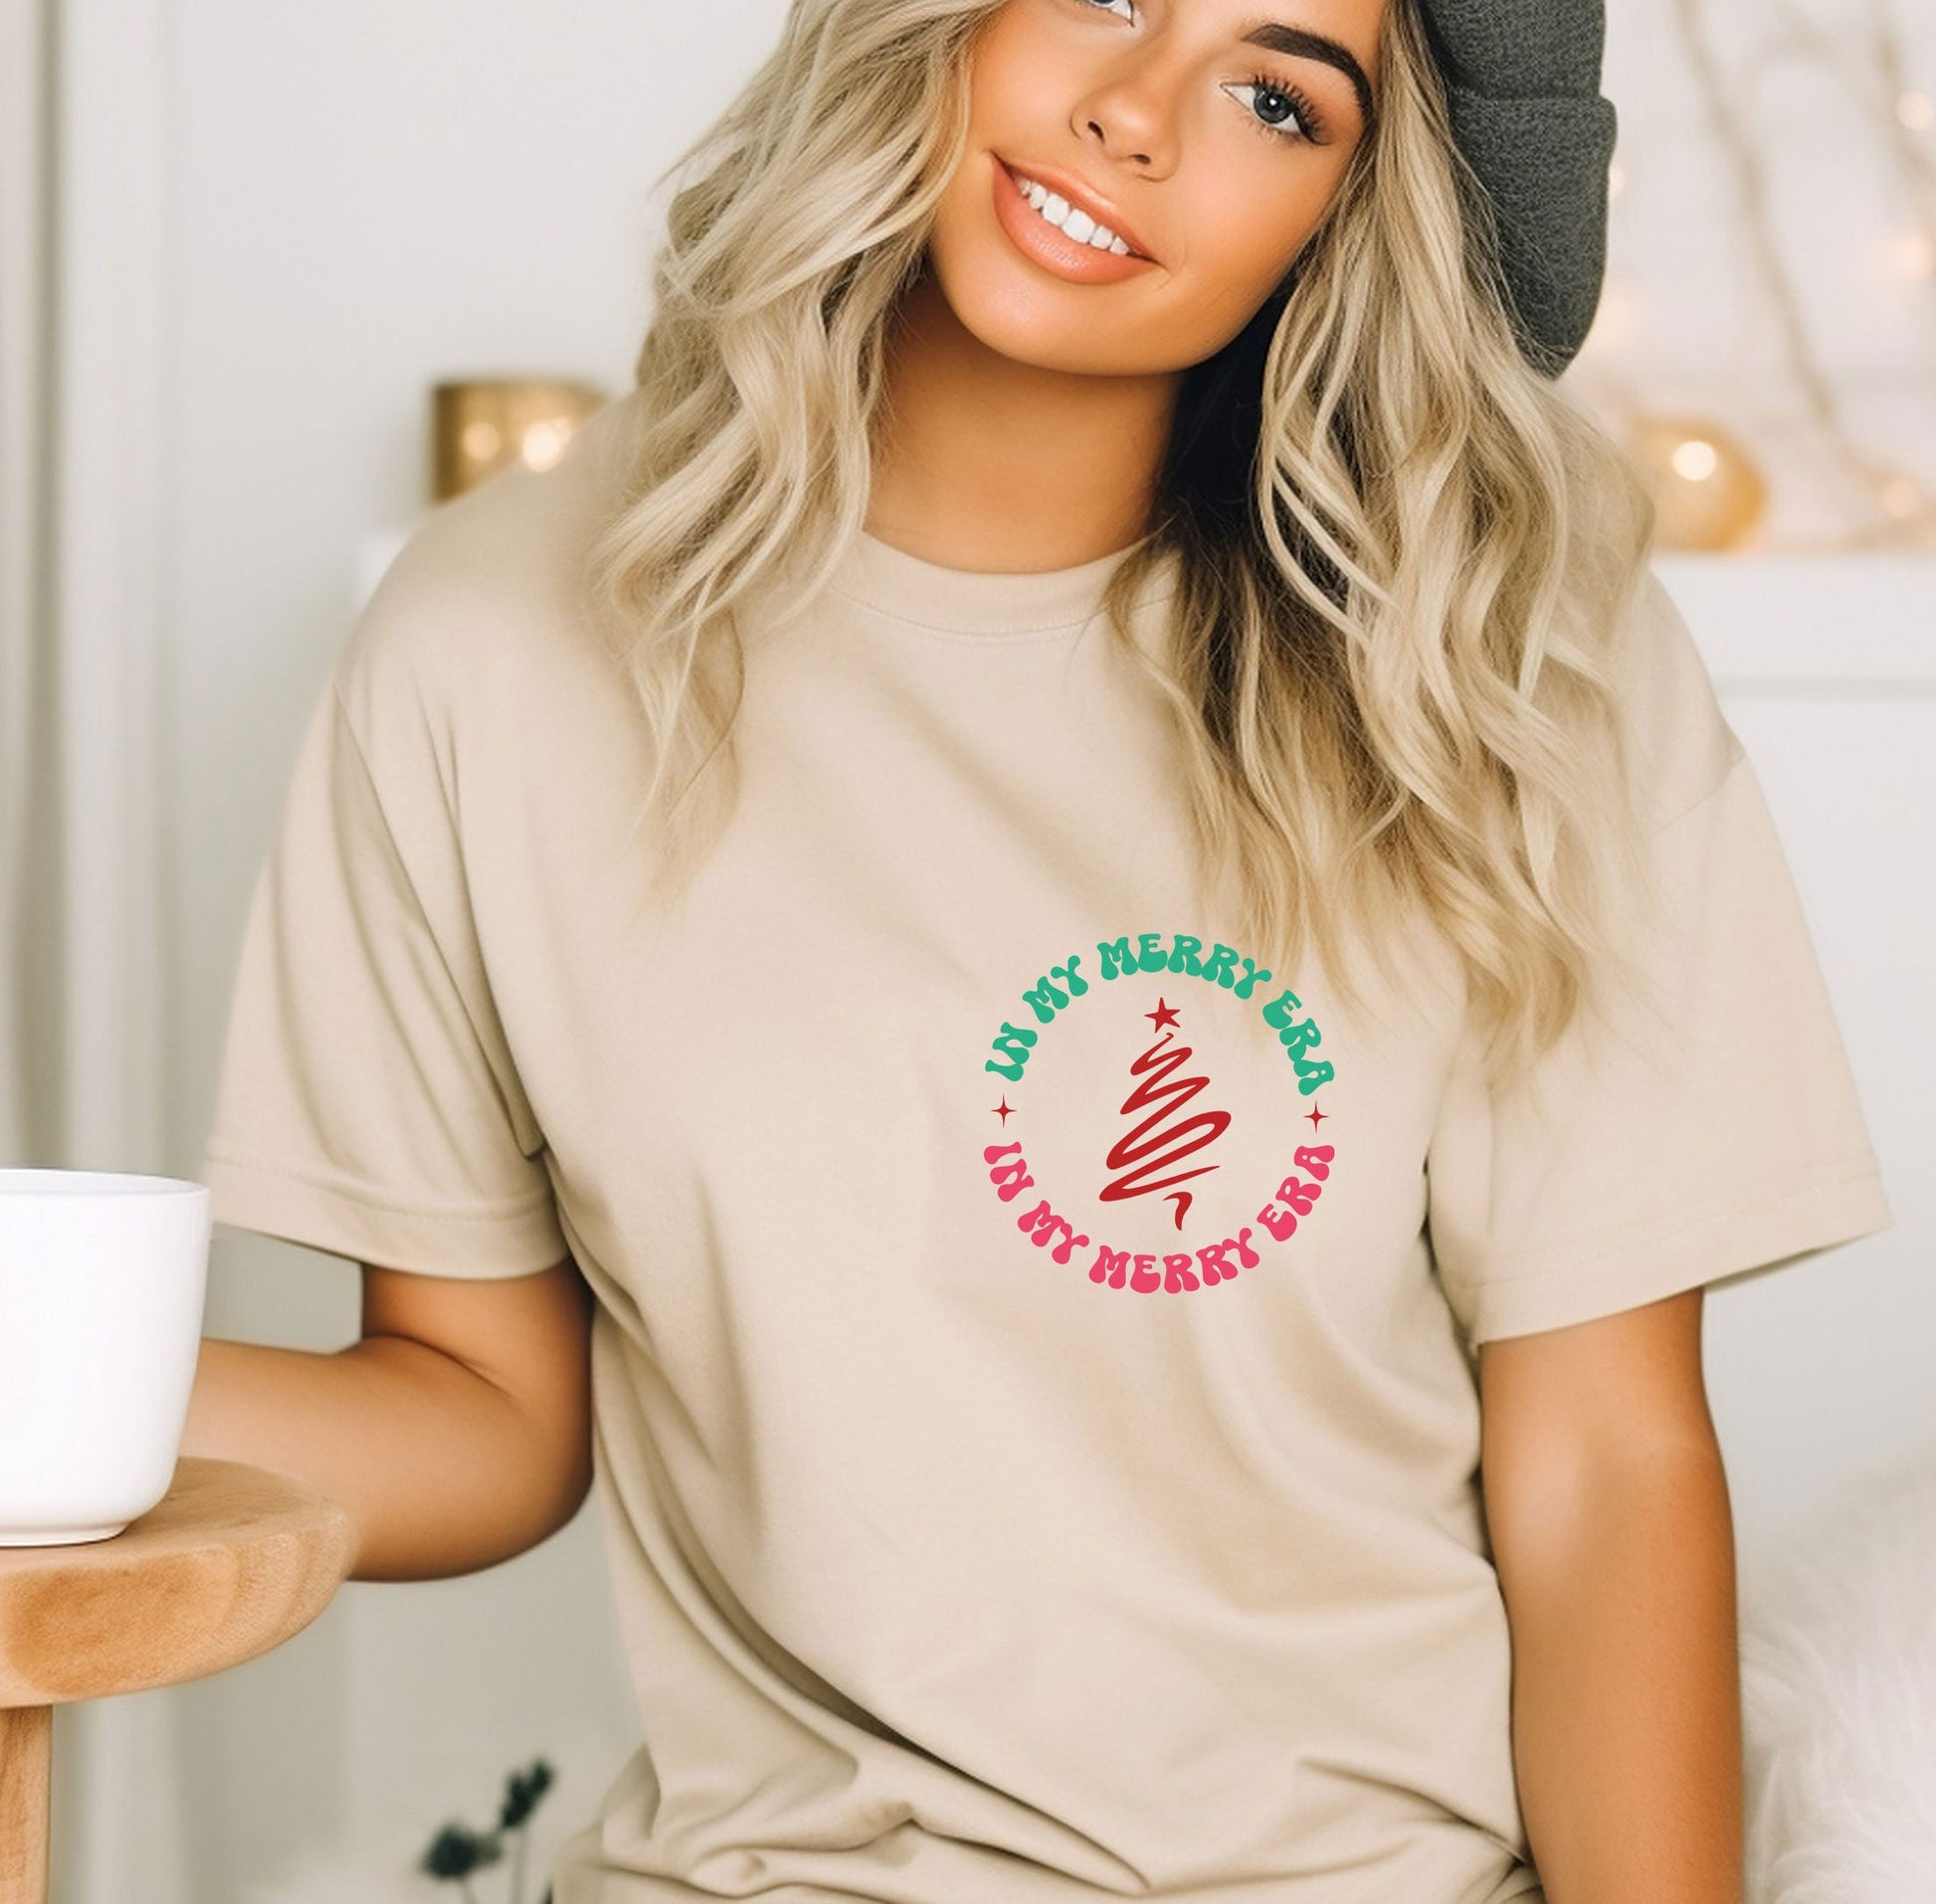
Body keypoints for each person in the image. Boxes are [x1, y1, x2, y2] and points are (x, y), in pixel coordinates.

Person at [183, 0, 1893, 1898]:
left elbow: (1601, 1472)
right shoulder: (493, 645)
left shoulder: (1498, 671)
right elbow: (484, 1415)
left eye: (1272, 94)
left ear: (1348, 211)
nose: (1134, 116)